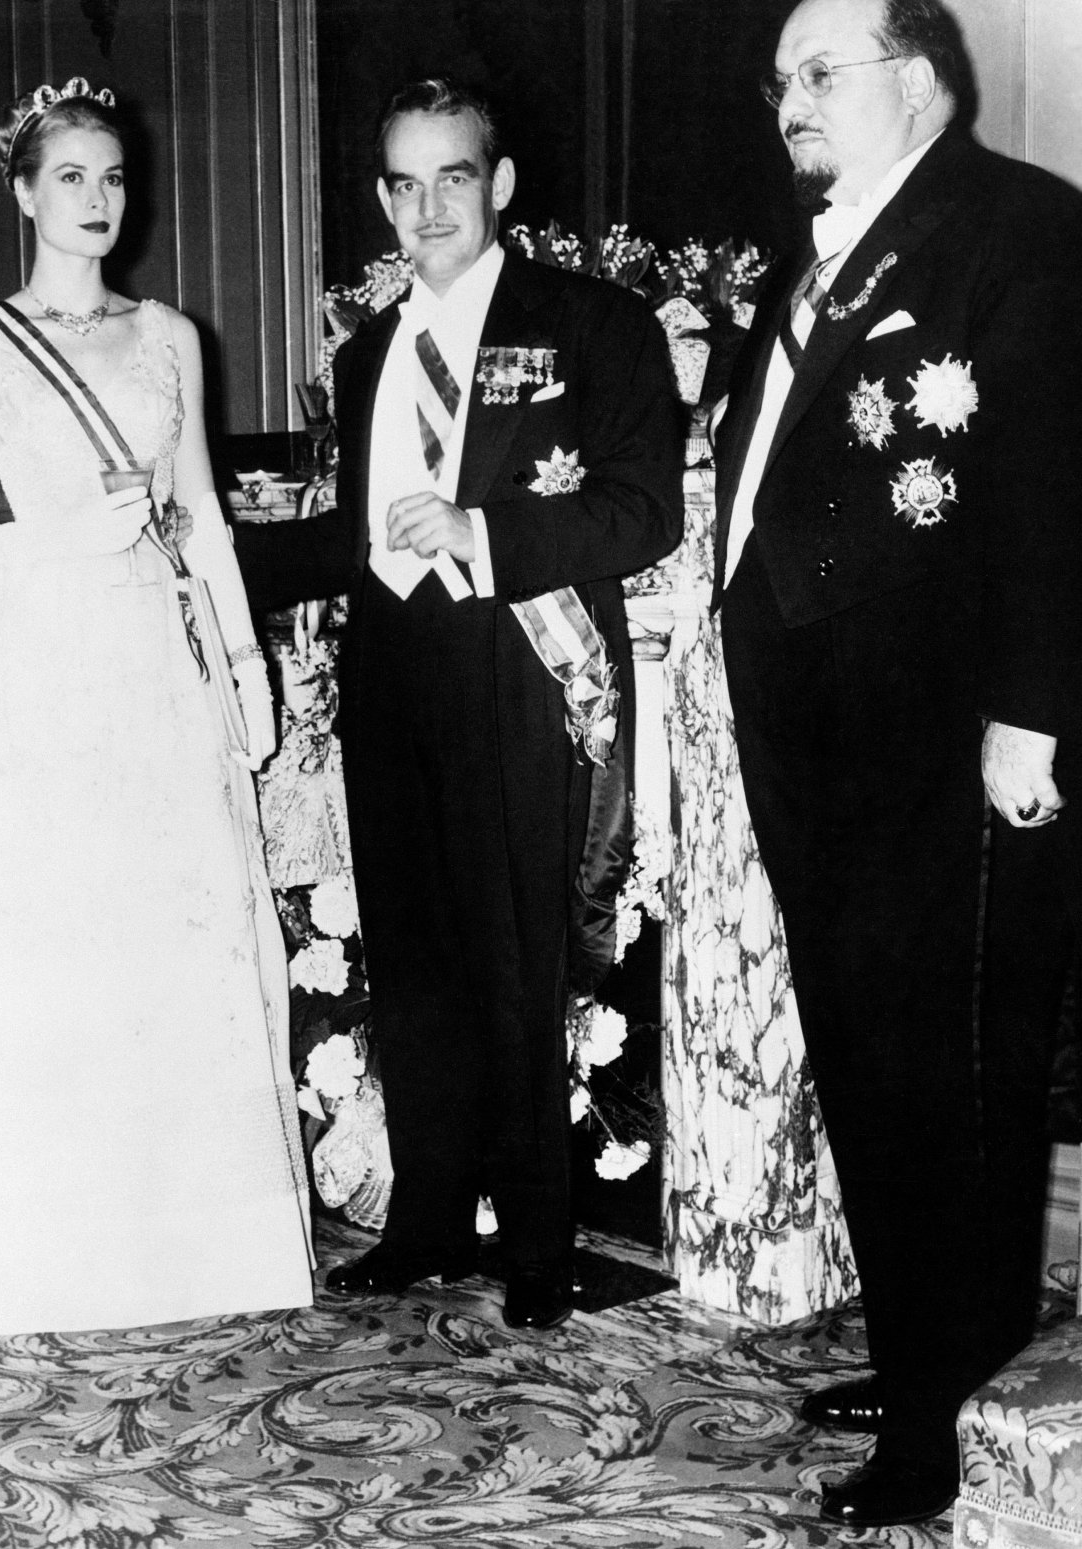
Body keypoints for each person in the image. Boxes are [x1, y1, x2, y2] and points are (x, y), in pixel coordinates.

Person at [711, 0, 1082, 1527]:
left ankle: (939, 1421)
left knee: (949, 1072)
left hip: (948, 730)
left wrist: (1034, 713)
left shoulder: (1021, 230)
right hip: (821, 723)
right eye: (781, 80)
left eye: (822, 74)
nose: (790, 101)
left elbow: (1059, 486)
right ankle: (930, 1348)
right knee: (866, 1052)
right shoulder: (828, 244)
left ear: (919, 80)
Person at [236, 78, 683, 1331]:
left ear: (500, 184)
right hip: (394, 674)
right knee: (417, 959)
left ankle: (541, 1243)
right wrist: (207, 552)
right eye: (403, 182)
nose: (427, 206)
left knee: (515, 960)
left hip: (521, 673)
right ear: (381, 197)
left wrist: (485, 527)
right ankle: (429, 1221)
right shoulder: (368, 350)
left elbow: (650, 509)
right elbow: (359, 540)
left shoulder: (595, 325)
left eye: (452, 177)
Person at [0, 77, 313, 1346]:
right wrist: (57, 530)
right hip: (39, 660)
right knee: (47, 941)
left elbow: (205, 523)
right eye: (70, 177)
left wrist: (245, 668)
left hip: (152, 656)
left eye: (113, 177)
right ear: (24, 192)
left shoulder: (171, 336)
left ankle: (173, 1250)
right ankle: (33, 1244)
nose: (97, 200)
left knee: (158, 935)